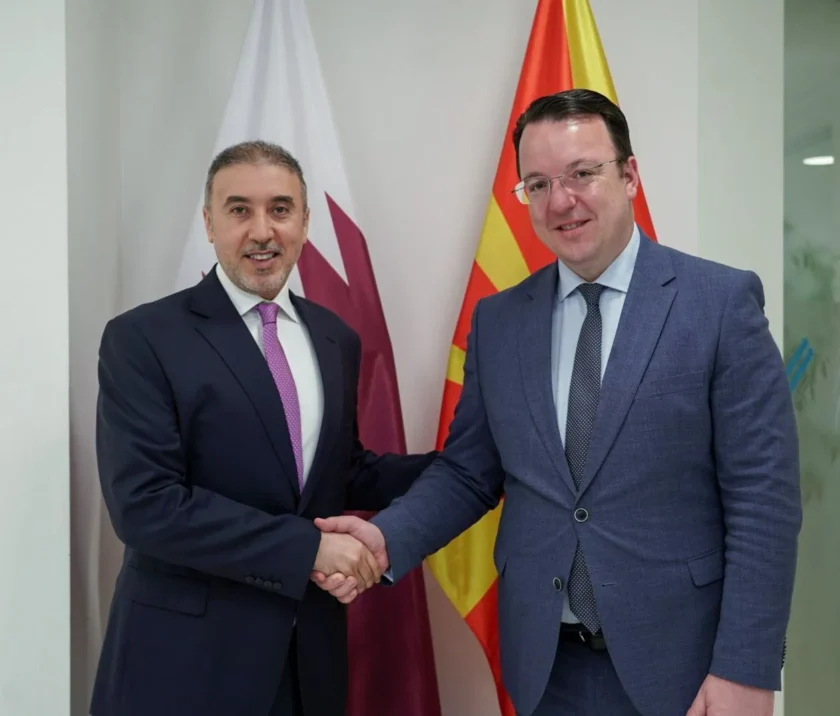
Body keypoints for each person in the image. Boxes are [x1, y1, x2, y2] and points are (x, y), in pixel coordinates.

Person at [313, 89, 802, 716]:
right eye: (538, 185)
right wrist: (385, 538)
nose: (560, 201)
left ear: (629, 175)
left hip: (686, 670)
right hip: (546, 668)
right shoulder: (499, 320)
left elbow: (764, 501)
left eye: (582, 174)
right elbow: (469, 473)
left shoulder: (719, 303)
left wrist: (745, 668)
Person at [90, 140, 432, 716]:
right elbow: (145, 506)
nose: (261, 231)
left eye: (279, 209)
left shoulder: (336, 338)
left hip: (309, 659)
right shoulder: (142, 338)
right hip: (184, 664)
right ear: (209, 223)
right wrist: (310, 549)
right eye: (239, 210)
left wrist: (469, 465)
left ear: (305, 221)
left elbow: (338, 472)